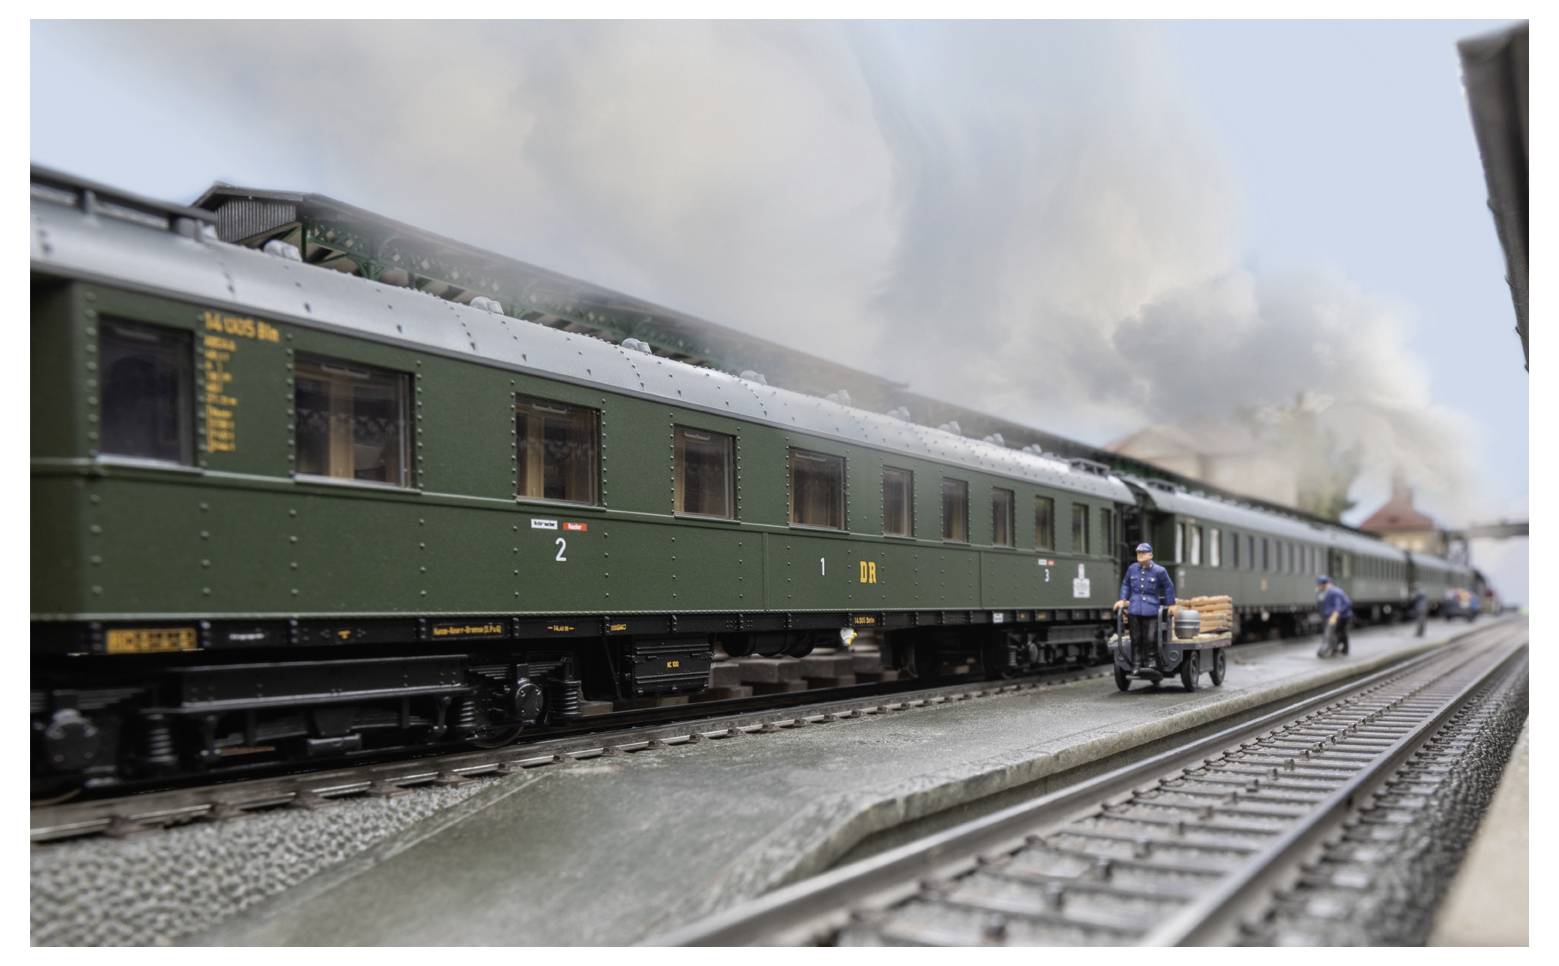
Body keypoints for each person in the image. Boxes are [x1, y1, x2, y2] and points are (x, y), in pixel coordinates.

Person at [1115, 542, 1176, 668]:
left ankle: (1150, 662)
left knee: (1150, 637)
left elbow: (1168, 586)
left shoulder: (1159, 571)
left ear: (1150, 555)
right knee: (1136, 638)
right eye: (1138, 553)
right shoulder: (1132, 569)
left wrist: (1171, 604)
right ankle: (1136, 664)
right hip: (1135, 609)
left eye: (1143, 553)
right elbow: (1126, 584)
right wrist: (1122, 599)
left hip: (1151, 609)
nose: (1140, 555)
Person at [1316, 575, 1353, 656]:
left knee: (1340, 632)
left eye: (1320, 585)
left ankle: (1343, 649)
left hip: (1342, 616)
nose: (1318, 586)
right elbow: (1320, 605)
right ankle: (1335, 649)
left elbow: (1339, 606)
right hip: (1331, 616)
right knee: (1334, 633)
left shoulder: (1335, 592)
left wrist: (1334, 616)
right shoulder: (1321, 593)